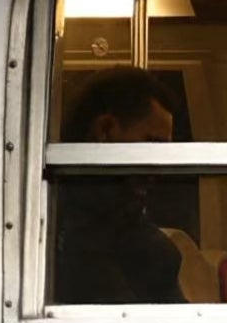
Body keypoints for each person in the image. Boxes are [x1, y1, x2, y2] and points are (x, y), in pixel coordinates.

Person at [45, 66, 196, 305]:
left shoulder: (119, 215)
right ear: (105, 130)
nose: (160, 165)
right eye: (153, 144)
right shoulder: (74, 226)